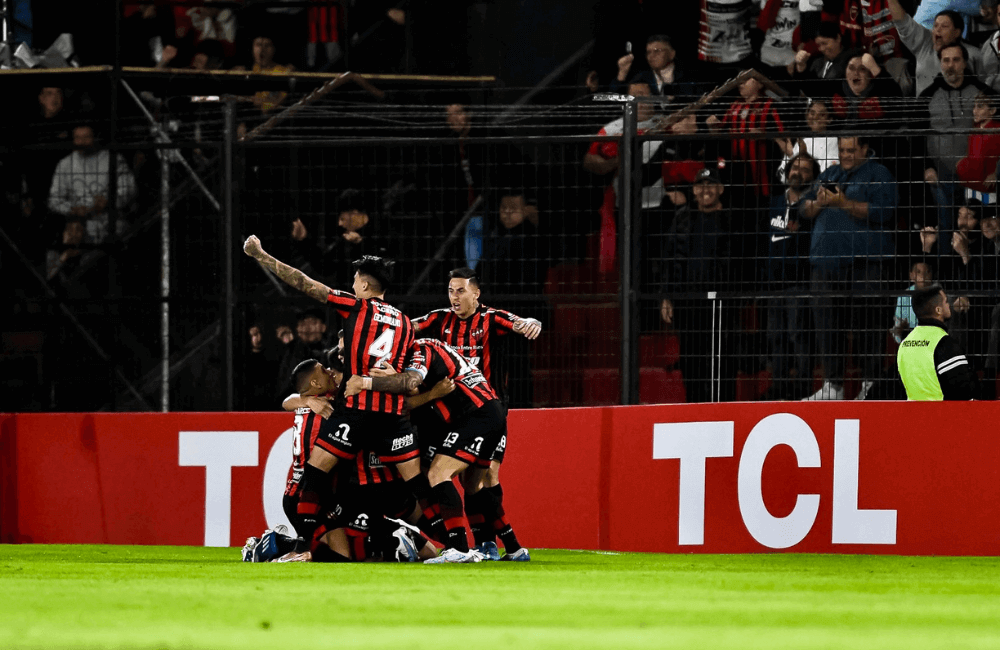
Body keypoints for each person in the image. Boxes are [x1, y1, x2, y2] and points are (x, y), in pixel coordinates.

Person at [242, 237, 431, 550]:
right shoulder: (407, 324)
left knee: (313, 475)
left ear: (366, 285)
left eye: (355, 280)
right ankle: (457, 544)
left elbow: (303, 283)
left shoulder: (356, 306)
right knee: (416, 487)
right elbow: (409, 376)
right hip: (392, 416)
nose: (352, 284)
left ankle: (303, 549)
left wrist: (261, 255)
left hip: (356, 412)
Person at [345, 337, 525, 563]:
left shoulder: (422, 349)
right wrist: (423, 391)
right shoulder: (418, 355)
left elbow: (410, 383)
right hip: (486, 412)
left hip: (475, 413)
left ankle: (458, 548)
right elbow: (407, 400)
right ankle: (514, 548)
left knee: (438, 473)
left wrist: (365, 383)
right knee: (472, 485)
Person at [411, 266, 540, 557]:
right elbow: (407, 326)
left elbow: (520, 322)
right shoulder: (439, 318)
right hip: (454, 413)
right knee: (468, 479)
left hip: (488, 408)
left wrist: (531, 322)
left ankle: (488, 543)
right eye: (450, 291)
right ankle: (497, 545)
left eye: (460, 291)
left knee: (487, 477)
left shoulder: (490, 318)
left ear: (476, 293)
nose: (454, 297)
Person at [800, 135, 898, 400]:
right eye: (842, 150)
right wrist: (820, 203)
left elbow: (884, 211)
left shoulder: (879, 173)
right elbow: (803, 208)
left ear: (865, 148)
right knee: (827, 326)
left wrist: (843, 203)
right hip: (825, 262)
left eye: (851, 150)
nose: (845, 155)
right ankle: (834, 386)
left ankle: (871, 385)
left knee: (869, 324)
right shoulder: (829, 173)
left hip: (866, 262)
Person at [921, 43, 993, 256]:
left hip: (975, 173)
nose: (950, 65)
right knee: (945, 223)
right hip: (941, 173)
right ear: (940, 63)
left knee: (975, 223)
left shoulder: (983, 93)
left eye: (955, 60)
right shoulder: (927, 95)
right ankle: (947, 277)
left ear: (965, 63)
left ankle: (974, 273)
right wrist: (926, 167)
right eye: (946, 60)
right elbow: (917, 137)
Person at [765, 153, 818, 400]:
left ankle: (802, 386)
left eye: (805, 169)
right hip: (773, 282)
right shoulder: (772, 203)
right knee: (776, 336)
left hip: (799, 281)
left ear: (813, 177)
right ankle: (779, 386)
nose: (798, 172)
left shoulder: (811, 208)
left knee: (799, 334)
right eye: (795, 167)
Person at [47, 124, 137, 245]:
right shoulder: (65, 164)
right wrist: (73, 209)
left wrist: (109, 201)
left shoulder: (113, 159)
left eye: (86, 137)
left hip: (113, 223)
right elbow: (54, 199)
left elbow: (129, 188)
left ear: (95, 138)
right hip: (80, 227)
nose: (81, 142)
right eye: (78, 138)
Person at [888, 0, 985, 95]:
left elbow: (984, 90)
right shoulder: (924, 44)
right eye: (935, 26)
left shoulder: (974, 54)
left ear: (957, 32)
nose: (938, 30)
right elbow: (902, 22)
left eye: (944, 26)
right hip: (924, 109)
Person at [897, 284, 977, 399]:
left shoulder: (904, 344)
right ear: (938, 310)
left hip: (914, 415)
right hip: (942, 415)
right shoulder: (945, 344)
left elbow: (903, 384)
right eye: (945, 302)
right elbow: (964, 392)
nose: (948, 304)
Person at [892, 261, 935, 343]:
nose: (923, 276)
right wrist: (900, 331)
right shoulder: (904, 297)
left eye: (927, 272)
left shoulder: (938, 294)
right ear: (911, 276)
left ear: (931, 274)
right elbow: (897, 328)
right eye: (918, 272)